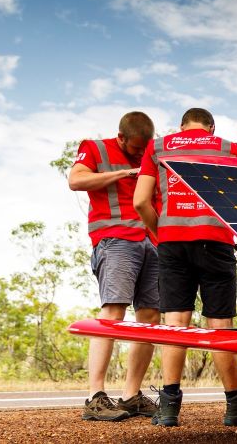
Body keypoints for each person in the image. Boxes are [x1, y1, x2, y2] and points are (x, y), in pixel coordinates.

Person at [133, 107, 237, 428]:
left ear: (182, 126)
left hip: (171, 242)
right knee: (220, 323)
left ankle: (168, 408)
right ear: (211, 128)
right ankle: (236, 405)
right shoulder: (227, 148)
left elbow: (141, 201)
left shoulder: (158, 146)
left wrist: (161, 234)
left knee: (175, 323)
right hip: (215, 242)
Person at [68, 111, 160, 421]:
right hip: (115, 239)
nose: (140, 154)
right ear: (121, 137)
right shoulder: (96, 149)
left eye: (144, 148)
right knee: (114, 311)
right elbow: (76, 180)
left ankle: (131, 396)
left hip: (152, 240)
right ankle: (95, 397)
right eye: (136, 148)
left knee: (149, 316)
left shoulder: (154, 154)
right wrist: (123, 173)